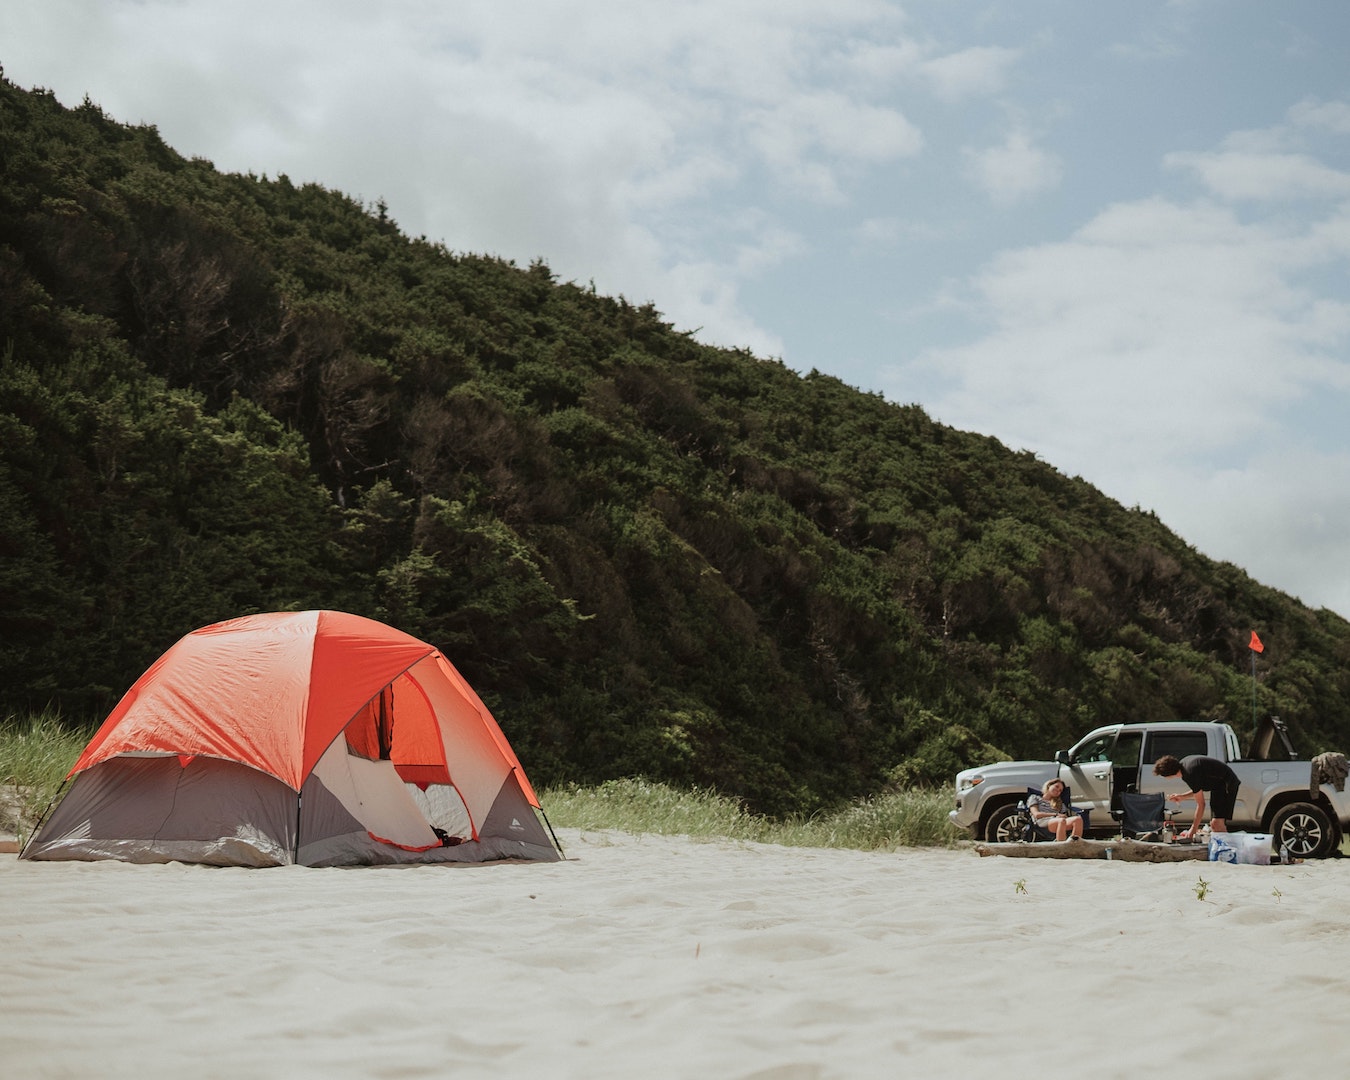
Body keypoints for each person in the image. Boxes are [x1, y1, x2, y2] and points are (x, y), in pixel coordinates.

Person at [1152, 754, 1241, 840]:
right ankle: (1222, 849)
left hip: (1227, 784)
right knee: (1215, 825)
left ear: (1168, 775)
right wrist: (1182, 797)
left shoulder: (1189, 773)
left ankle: (1228, 850)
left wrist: (1193, 830)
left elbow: (1201, 804)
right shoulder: (1185, 766)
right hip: (1217, 786)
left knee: (1217, 824)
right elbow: (1198, 788)